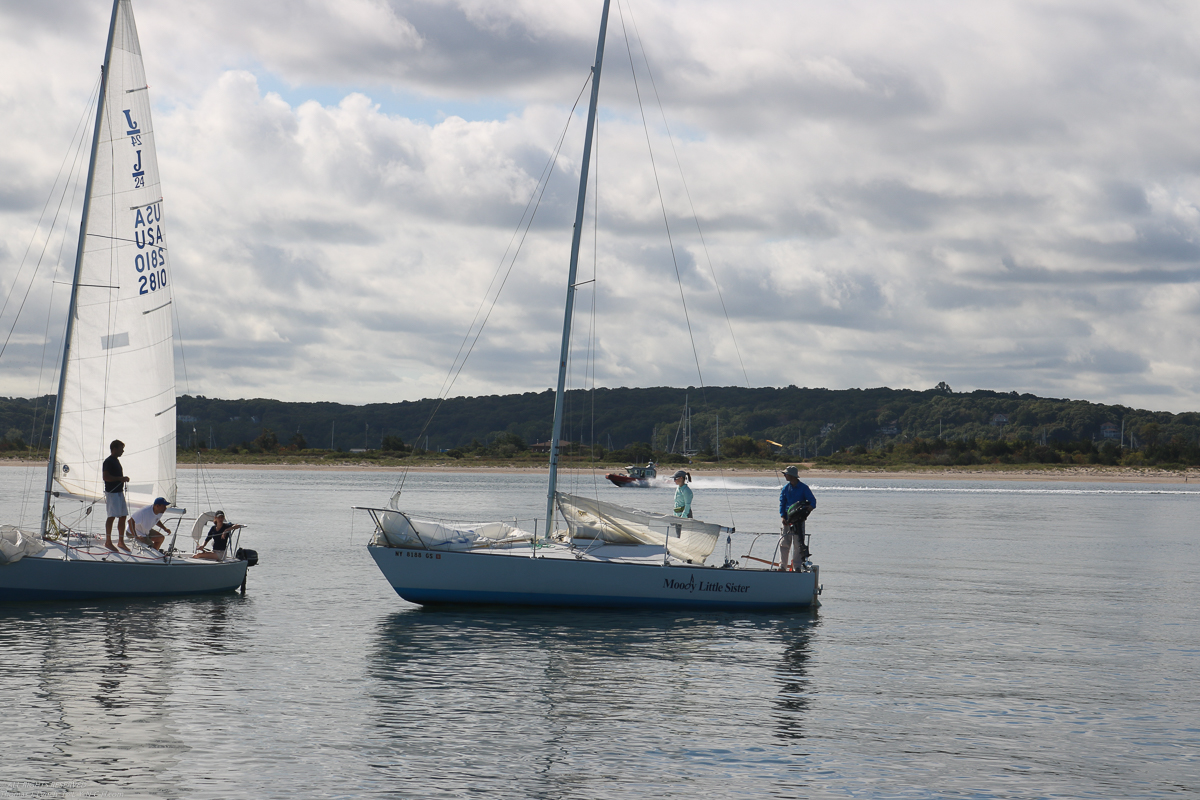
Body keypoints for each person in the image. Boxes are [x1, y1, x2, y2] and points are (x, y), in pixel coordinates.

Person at [778, 465, 816, 571]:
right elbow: (782, 503)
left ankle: (797, 566)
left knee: (798, 544)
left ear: (792, 475)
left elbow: (813, 502)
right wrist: (782, 517)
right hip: (786, 520)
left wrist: (808, 510)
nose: (784, 475)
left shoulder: (804, 488)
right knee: (784, 543)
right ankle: (782, 566)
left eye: (786, 474)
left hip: (799, 521)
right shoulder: (785, 488)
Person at [102, 440, 130, 551]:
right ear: (114, 448)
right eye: (121, 448)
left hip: (119, 492)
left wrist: (123, 479)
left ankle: (121, 541)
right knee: (111, 516)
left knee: (123, 516)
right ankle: (108, 542)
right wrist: (120, 478)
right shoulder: (108, 461)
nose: (122, 451)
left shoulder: (116, 461)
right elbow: (106, 477)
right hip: (112, 493)